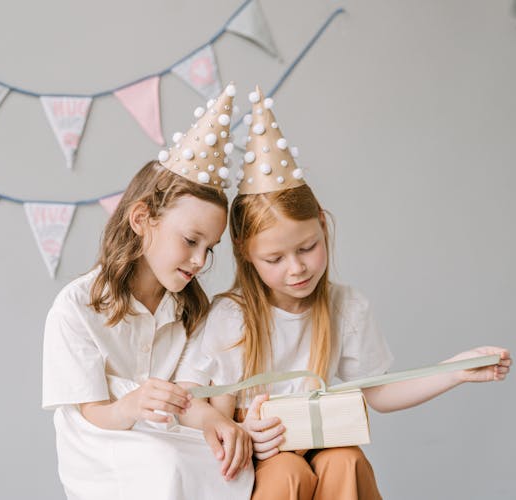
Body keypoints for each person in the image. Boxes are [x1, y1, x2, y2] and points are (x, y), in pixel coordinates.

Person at [175, 86, 511, 500]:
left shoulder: (345, 307)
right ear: (246, 255)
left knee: (346, 460)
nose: (296, 268)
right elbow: (192, 399)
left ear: (322, 224)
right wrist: (237, 430)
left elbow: (381, 393)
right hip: (262, 454)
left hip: (323, 439)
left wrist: (454, 371)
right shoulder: (232, 317)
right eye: (275, 259)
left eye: (307, 248)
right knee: (285, 475)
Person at [42, 85, 255, 500]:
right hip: (101, 443)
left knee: (228, 470)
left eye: (208, 248)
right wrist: (134, 404)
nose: (199, 260)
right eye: (190, 240)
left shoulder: (189, 310)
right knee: (164, 468)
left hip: (168, 435)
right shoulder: (77, 307)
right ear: (142, 219)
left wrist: (218, 423)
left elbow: (191, 401)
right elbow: (91, 413)